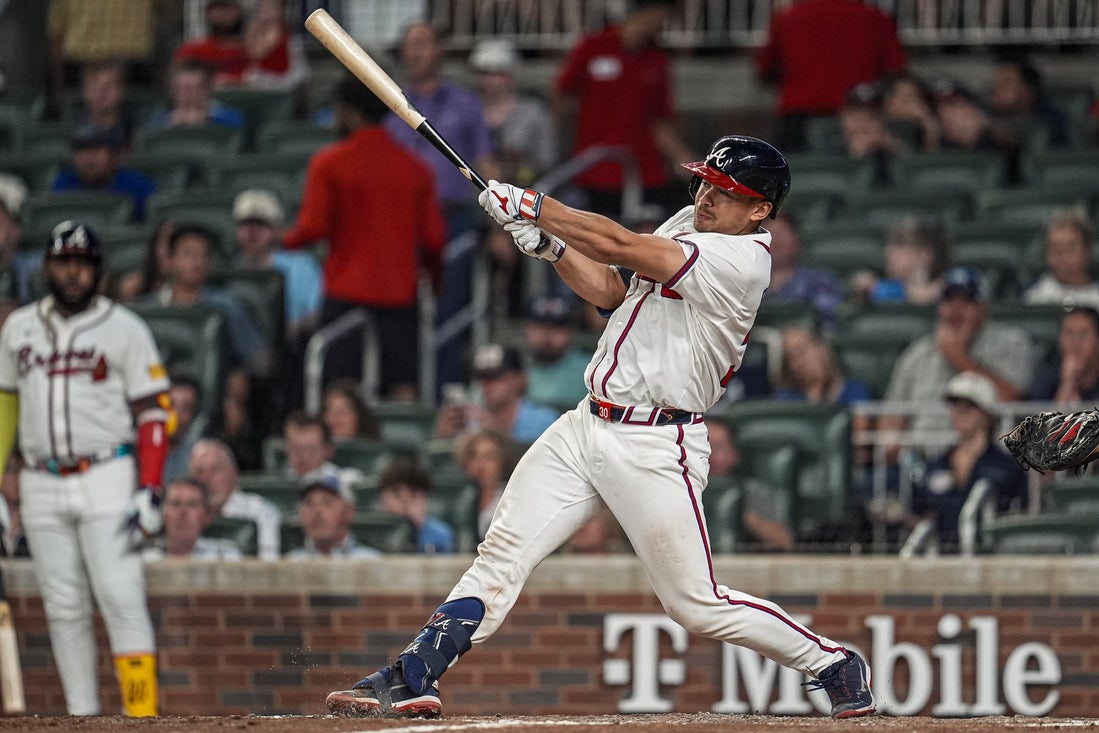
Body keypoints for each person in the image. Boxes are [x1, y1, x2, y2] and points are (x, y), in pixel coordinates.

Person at [324, 135, 875, 720]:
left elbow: (619, 244)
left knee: (695, 604)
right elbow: (614, 290)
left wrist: (536, 207)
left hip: (657, 441)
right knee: (501, 552)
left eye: (727, 192)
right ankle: (414, 673)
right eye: (706, 183)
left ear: (760, 209)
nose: (707, 197)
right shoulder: (689, 220)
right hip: (587, 423)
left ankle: (832, 662)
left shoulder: (745, 261)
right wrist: (553, 247)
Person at [0, 221, 169, 716]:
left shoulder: (125, 327)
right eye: (64, 262)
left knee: (121, 597)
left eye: (83, 263)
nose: (73, 273)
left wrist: (150, 487)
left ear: (99, 270)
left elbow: (153, 412)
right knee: (63, 607)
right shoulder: (18, 327)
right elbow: (5, 408)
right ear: (47, 267)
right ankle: (82, 719)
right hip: (39, 480)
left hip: (107, 474)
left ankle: (142, 718)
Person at [283, 71, 446, 400]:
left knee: (340, 391)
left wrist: (280, 241)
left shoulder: (328, 164)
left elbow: (312, 228)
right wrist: (436, 282)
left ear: (348, 111)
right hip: (399, 295)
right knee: (403, 386)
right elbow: (434, 241)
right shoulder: (416, 167)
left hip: (346, 293)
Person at [384, 21, 498, 390]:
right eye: (410, 44)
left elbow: (486, 161)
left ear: (440, 50)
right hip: (402, 225)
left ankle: (444, 387)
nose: (416, 51)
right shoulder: (390, 103)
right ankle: (405, 388)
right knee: (401, 308)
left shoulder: (465, 103)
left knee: (450, 307)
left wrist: (503, 220)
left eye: (424, 42)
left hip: (452, 218)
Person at [553, 0, 694, 219]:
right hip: (596, 170)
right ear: (650, 12)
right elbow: (562, 98)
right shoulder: (593, 47)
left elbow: (660, 121)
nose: (665, 25)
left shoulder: (657, 60)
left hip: (645, 172)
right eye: (665, 17)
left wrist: (684, 161)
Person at [879, 266, 1035, 441]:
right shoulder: (917, 353)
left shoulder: (1011, 343)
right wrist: (892, 438)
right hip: (922, 454)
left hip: (988, 455)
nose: (956, 309)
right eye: (949, 300)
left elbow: (1012, 404)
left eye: (966, 301)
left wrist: (959, 358)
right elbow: (890, 419)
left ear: (983, 308)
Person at [754, 0, 907, 151]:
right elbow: (896, 72)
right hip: (859, 117)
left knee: (789, 165)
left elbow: (765, 70)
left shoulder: (788, 18)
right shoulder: (876, 18)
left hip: (799, 118)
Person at [910, 371, 1027, 553]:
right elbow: (922, 511)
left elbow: (1020, 513)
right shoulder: (937, 464)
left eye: (968, 407)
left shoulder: (1006, 466)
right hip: (940, 556)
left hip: (990, 556)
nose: (958, 413)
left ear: (986, 414)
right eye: (955, 406)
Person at [232, 188, 323, 343]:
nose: (252, 232)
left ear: (276, 230)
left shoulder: (302, 265)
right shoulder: (231, 269)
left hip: (294, 345)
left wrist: (297, 326)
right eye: (246, 224)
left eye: (261, 224)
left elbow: (318, 311)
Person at [434, 343, 560, 445]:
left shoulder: (544, 420)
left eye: (495, 376)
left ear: (519, 379)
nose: (486, 384)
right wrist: (445, 439)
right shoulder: (469, 420)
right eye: (481, 377)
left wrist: (496, 433)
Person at [706, 419, 794, 552]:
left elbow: (785, 541)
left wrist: (739, 514)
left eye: (718, 448)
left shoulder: (752, 493)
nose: (710, 456)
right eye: (704, 447)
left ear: (734, 454)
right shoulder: (679, 490)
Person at [187, 437, 282, 559]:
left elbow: (269, 560)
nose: (206, 479)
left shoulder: (261, 512)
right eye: (199, 472)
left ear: (233, 473)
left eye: (215, 470)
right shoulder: (182, 515)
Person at [51, 124, 158, 222]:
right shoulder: (64, 183)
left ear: (113, 156)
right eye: (81, 152)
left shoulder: (136, 186)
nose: (88, 159)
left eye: (95, 151)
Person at [764, 213, 844, 329]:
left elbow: (829, 321)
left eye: (781, 233)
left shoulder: (820, 282)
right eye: (769, 234)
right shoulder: (744, 285)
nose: (775, 240)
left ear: (797, 239)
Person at [851, 215, 950, 306]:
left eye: (900, 245)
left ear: (925, 254)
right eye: (889, 245)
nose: (889, 252)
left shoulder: (951, 288)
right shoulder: (881, 289)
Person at [284, 467, 379, 559]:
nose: (317, 512)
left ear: (349, 511)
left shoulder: (373, 561)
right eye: (309, 503)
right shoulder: (287, 563)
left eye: (327, 503)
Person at [142, 476, 243, 560]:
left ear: (206, 516)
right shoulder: (143, 557)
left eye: (192, 504)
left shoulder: (224, 556)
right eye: (175, 504)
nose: (183, 512)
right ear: (162, 514)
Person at [523, 295, 591, 411]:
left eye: (556, 328)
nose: (547, 336)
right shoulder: (513, 366)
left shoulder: (589, 368)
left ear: (570, 331)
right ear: (527, 329)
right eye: (540, 327)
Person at [1021, 208, 1099, 310]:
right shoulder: (1033, 294)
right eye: (1055, 248)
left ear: (1087, 251)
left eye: (1069, 248)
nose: (1062, 255)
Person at [987, 55, 1070, 151]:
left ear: (1026, 89)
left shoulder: (1053, 119)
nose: (996, 89)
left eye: (1005, 83)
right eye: (996, 83)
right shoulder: (991, 115)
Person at [376, 457, 455, 554]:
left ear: (425, 498)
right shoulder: (371, 534)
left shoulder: (441, 534)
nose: (405, 501)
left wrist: (414, 528)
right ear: (382, 499)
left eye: (413, 494)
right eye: (397, 494)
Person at [453, 428, 520, 540]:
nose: (480, 466)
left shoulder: (514, 497)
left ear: (503, 461)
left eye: (489, 457)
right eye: (475, 457)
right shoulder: (466, 498)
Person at [1028, 307, 1099, 404]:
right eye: (1069, 333)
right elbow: (1041, 413)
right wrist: (1067, 384)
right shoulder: (1045, 377)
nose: (1075, 342)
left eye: (1084, 334)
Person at [148, 59, 246, 129]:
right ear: (172, 92)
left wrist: (207, 122)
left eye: (197, 89)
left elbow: (238, 129)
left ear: (209, 90)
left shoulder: (231, 117)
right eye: (184, 89)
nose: (190, 95)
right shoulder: (161, 120)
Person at [74, 59, 138, 150]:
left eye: (107, 88)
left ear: (121, 90)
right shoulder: (73, 128)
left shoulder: (137, 130)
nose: (100, 94)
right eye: (93, 87)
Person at [880, 71, 941, 153]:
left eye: (916, 97)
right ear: (887, 100)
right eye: (906, 98)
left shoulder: (921, 128)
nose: (912, 104)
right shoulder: (877, 125)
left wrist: (930, 126)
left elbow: (932, 156)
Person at [163, 373, 207, 484]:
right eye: (171, 405)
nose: (177, 415)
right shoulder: (135, 448)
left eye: (186, 408)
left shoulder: (199, 457)